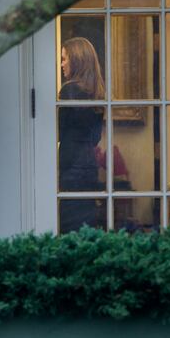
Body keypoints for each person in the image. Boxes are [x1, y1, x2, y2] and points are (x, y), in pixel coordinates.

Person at [58, 37, 105, 230]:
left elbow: (57, 132)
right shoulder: (96, 92)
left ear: (76, 60)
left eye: (64, 58)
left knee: (69, 225)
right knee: (85, 224)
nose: (61, 64)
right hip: (89, 166)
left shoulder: (69, 90)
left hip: (71, 167)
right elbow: (96, 137)